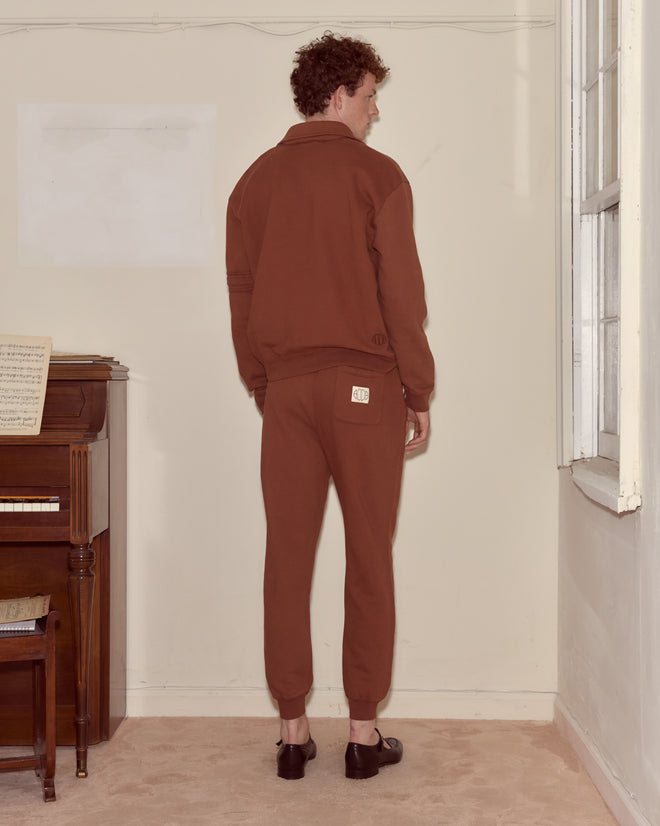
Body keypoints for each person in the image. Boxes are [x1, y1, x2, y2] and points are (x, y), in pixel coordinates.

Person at [226, 32, 434, 780]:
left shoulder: (253, 182)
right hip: (364, 390)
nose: (376, 112)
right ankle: (363, 734)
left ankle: (290, 734)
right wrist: (419, 387)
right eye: (372, 96)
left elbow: (241, 293)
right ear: (339, 93)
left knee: (287, 560)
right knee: (368, 560)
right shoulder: (377, 176)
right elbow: (402, 295)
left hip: (286, 395)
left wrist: (264, 382)